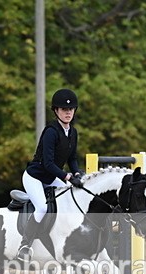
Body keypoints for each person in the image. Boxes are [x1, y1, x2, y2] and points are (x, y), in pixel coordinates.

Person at [16, 88, 85, 261]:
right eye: (64, 109)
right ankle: (25, 245)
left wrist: (76, 172)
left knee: (73, 197)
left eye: (70, 109)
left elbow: (72, 158)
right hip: (35, 176)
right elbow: (47, 164)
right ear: (56, 111)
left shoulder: (73, 133)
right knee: (42, 207)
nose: (68, 112)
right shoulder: (51, 132)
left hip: (52, 177)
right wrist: (67, 177)